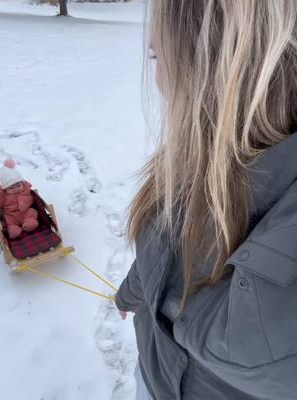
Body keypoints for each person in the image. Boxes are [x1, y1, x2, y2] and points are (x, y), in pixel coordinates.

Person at [115, 1, 297, 399]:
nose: (158, 77)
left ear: (221, 66)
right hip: (155, 376)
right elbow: (164, 250)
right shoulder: (196, 159)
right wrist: (132, 291)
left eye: (157, 54)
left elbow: (262, 352)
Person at [0, 159, 39, 239]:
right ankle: (12, 229)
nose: (16, 189)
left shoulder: (25, 191)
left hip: (25, 212)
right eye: (11, 188)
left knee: (32, 211)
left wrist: (24, 201)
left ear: (22, 183)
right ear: (5, 189)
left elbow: (30, 199)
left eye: (18, 185)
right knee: (6, 220)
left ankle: (29, 223)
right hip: (11, 215)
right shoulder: (3, 195)